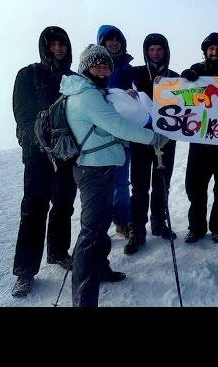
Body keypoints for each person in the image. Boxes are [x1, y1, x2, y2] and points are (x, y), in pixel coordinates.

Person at [60, 44, 168, 307]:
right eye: (97, 65)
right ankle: (84, 300)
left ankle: (102, 269)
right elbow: (118, 126)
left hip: (99, 167)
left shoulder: (91, 92)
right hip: (94, 171)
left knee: (99, 226)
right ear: (86, 67)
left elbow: (107, 127)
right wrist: (154, 137)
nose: (103, 69)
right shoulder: (88, 97)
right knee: (91, 233)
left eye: (106, 65)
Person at [11, 26, 77, 298]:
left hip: (67, 155)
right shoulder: (28, 74)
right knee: (33, 210)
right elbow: (22, 115)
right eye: (52, 45)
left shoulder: (74, 79)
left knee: (63, 206)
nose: (57, 49)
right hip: (37, 156)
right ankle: (25, 272)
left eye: (62, 44)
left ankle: (59, 252)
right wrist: (40, 139)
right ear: (44, 47)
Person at [181, 32, 218, 243]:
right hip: (199, 143)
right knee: (195, 187)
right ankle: (196, 228)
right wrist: (185, 77)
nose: (214, 52)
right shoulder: (196, 71)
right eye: (211, 49)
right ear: (206, 51)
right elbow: (180, 93)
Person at [124, 33, 179, 255]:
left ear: (165, 51)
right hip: (141, 138)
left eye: (159, 49)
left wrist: (191, 78)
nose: (155, 53)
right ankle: (137, 230)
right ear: (146, 52)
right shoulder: (135, 74)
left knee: (161, 184)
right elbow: (116, 87)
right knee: (138, 186)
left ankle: (159, 223)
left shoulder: (174, 77)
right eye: (151, 49)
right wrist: (126, 92)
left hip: (166, 139)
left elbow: (191, 99)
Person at [97, 24, 134, 240]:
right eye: (109, 39)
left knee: (121, 180)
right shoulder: (89, 67)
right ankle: (99, 224)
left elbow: (140, 92)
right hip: (98, 134)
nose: (114, 42)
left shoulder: (128, 67)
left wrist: (132, 93)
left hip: (123, 132)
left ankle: (122, 221)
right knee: (100, 182)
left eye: (117, 39)